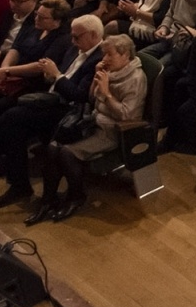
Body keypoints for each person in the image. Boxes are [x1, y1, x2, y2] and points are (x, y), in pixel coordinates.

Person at [27, 34, 147, 224]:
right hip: (92, 123)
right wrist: (95, 80)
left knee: (67, 153)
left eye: (110, 55)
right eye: (104, 55)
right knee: (52, 148)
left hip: (112, 131)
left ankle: (76, 196)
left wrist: (107, 93)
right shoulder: (109, 71)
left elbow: (128, 116)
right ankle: (48, 200)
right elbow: (91, 99)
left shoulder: (135, 78)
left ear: (126, 56)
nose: (104, 59)